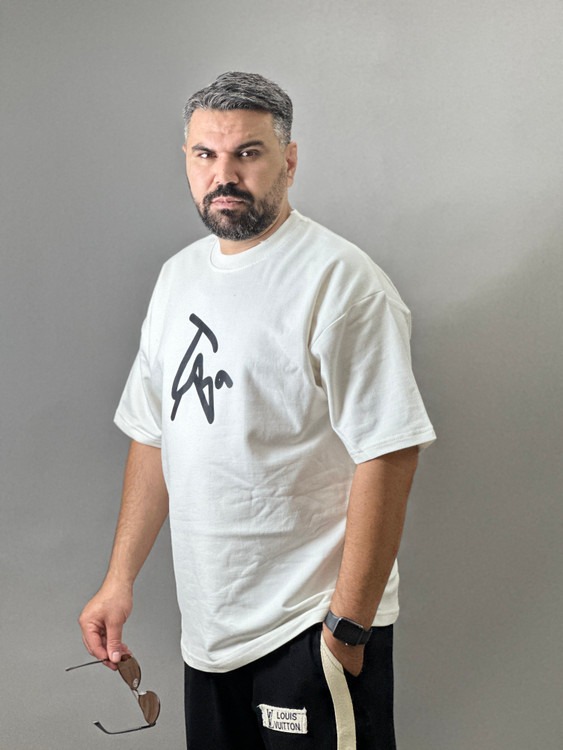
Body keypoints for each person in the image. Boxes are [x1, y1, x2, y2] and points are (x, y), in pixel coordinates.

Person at [78, 71, 436, 749]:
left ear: (288, 161)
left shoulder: (341, 282)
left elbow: (389, 451)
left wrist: (347, 626)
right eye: (205, 155)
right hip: (208, 633)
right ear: (187, 161)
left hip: (308, 626)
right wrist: (118, 581)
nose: (224, 175)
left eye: (247, 152)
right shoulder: (178, 278)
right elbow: (154, 435)